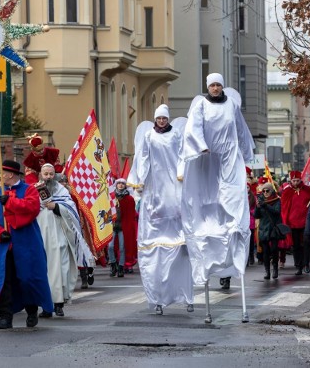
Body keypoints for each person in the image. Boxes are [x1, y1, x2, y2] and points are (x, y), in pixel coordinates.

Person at [179, 73, 254, 291]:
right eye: (211, 85)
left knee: (231, 199)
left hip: (229, 156)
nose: (214, 88)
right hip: (208, 157)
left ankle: (232, 243)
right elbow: (192, 129)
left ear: (222, 87)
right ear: (208, 87)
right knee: (209, 200)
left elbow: (241, 129)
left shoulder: (231, 104)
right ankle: (207, 247)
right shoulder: (200, 105)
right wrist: (201, 146)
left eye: (218, 85)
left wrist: (246, 153)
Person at [128, 104, 194, 315]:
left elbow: (183, 155)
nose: (162, 121)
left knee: (180, 248)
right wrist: (140, 180)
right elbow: (142, 158)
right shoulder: (148, 136)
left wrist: (182, 174)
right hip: (155, 188)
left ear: (168, 119)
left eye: (165, 118)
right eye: (159, 118)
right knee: (154, 249)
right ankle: (157, 297)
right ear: (155, 119)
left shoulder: (176, 135)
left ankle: (186, 295)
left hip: (174, 186)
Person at [0, 160, 53, 329]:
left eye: (3, 173)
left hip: (26, 243)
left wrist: (10, 202)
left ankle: (31, 310)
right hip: (4, 245)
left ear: (11, 174)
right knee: (4, 280)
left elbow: (32, 209)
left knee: (27, 278)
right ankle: (5, 317)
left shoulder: (28, 189)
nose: (0, 176)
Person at [36, 164, 88, 318]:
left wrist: (56, 206)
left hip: (60, 237)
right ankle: (46, 306)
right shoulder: (34, 190)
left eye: (51, 174)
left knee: (60, 270)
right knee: (43, 271)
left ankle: (59, 304)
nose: (48, 177)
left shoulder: (62, 191)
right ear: (41, 174)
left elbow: (71, 210)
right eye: (45, 174)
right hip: (42, 237)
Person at [280, 170, 310, 275]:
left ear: (300, 179)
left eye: (297, 180)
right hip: (292, 224)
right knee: (296, 245)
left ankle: (305, 264)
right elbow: (284, 208)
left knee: (305, 244)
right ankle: (298, 266)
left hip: (305, 223)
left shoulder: (307, 190)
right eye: (293, 180)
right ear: (291, 180)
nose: (295, 182)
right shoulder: (287, 191)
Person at [254, 182, 283, 280]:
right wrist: (258, 207)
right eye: (264, 191)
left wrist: (265, 205)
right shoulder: (261, 200)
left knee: (274, 249)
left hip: (273, 228)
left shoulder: (277, 200)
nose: (265, 193)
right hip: (263, 228)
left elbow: (277, 212)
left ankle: (275, 269)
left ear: (272, 191)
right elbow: (256, 216)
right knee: (265, 251)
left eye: (267, 191)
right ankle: (267, 271)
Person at [108, 178, 136, 278]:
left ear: (125, 185)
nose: (120, 185)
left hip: (123, 227)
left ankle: (120, 267)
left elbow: (131, 215)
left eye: (122, 183)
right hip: (112, 226)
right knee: (110, 246)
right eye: (118, 183)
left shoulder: (129, 199)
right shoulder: (111, 197)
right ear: (115, 185)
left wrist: (129, 227)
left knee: (122, 247)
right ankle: (113, 265)